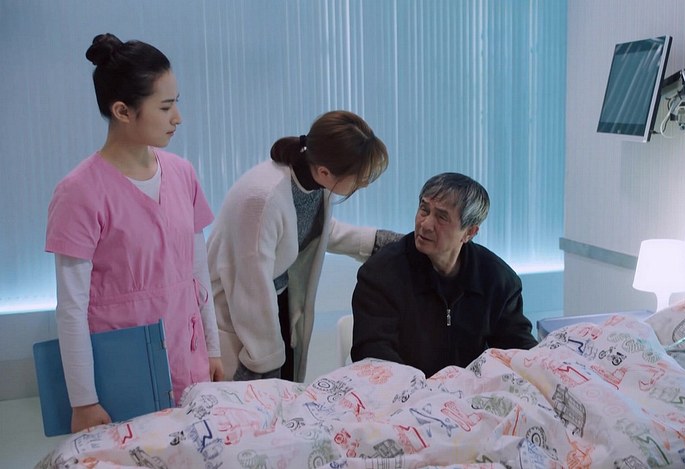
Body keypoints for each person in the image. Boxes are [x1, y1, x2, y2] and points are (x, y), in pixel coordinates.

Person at [45, 33, 223, 433]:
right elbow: (72, 308)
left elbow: (198, 274)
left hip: (189, 361)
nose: (178, 117)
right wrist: (84, 400)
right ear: (123, 111)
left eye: (177, 102)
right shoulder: (79, 192)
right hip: (123, 375)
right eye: (165, 106)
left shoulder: (182, 174)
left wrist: (212, 348)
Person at [208, 110, 395, 383]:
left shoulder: (313, 181)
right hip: (240, 312)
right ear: (325, 171)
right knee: (255, 398)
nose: (363, 184)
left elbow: (313, 230)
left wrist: (379, 241)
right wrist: (264, 362)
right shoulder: (263, 198)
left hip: (274, 300)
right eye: (359, 178)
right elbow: (251, 285)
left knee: (283, 388)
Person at [351, 172, 539, 377]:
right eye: (424, 210)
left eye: (441, 217)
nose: (425, 224)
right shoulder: (380, 273)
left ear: (469, 232)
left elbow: (518, 350)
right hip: (405, 391)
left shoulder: (498, 280)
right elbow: (374, 353)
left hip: (473, 392)